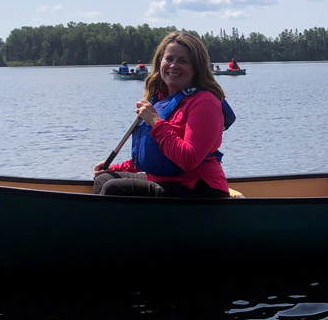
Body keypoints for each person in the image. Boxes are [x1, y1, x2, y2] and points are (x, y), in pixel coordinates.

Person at [94, 32, 230, 198]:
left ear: (196, 68)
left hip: (198, 188)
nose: (173, 65)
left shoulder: (205, 102)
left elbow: (188, 160)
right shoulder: (161, 99)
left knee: (114, 189)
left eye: (182, 61)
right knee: (103, 178)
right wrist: (116, 168)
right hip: (165, 180)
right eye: (169, 59)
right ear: (160, 62)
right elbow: (156, 156)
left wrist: (156, 121)